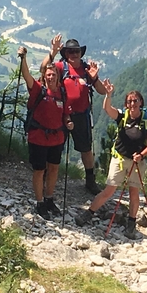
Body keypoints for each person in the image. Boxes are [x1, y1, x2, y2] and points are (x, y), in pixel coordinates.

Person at [75, 81, 147, 239]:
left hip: (137, 161)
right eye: (130, 101)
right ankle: (89, 213)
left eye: (135, 100)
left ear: (141, 102)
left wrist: (141, 155)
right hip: (119, 158)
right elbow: (107, 109)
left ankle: (131, 223)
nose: (132, 103)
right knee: (109, 190)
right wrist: (108, 95)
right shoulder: (122, 116)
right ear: (126, 104)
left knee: (134, 193)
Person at [41, 34, 108, 195]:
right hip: (62, 114)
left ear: (80, 52)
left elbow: (102, 90)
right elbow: (43, 69)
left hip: (81, 115)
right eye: (70, 51)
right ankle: (46, 177)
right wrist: (53, 51)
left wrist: (95, 77)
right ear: (65, 54)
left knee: (86, 149)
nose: (74, 54)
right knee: (55, 146)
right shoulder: (60, 67)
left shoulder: (86, 70)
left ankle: (90, 181)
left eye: (76, 51)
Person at [18, 46, 73, 220]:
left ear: (58, 76)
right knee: (39, 170)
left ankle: (49, 199)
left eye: (54, 74)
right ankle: (40, 202)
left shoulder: (62, 93)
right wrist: (23, 58)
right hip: (38, 137)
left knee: (54, 169)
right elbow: (26, 76)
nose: (51, 77)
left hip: (57, 138)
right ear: (44, 76)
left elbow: (66, 114)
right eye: (48, 75)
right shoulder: (38, 90)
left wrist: (69, 122)